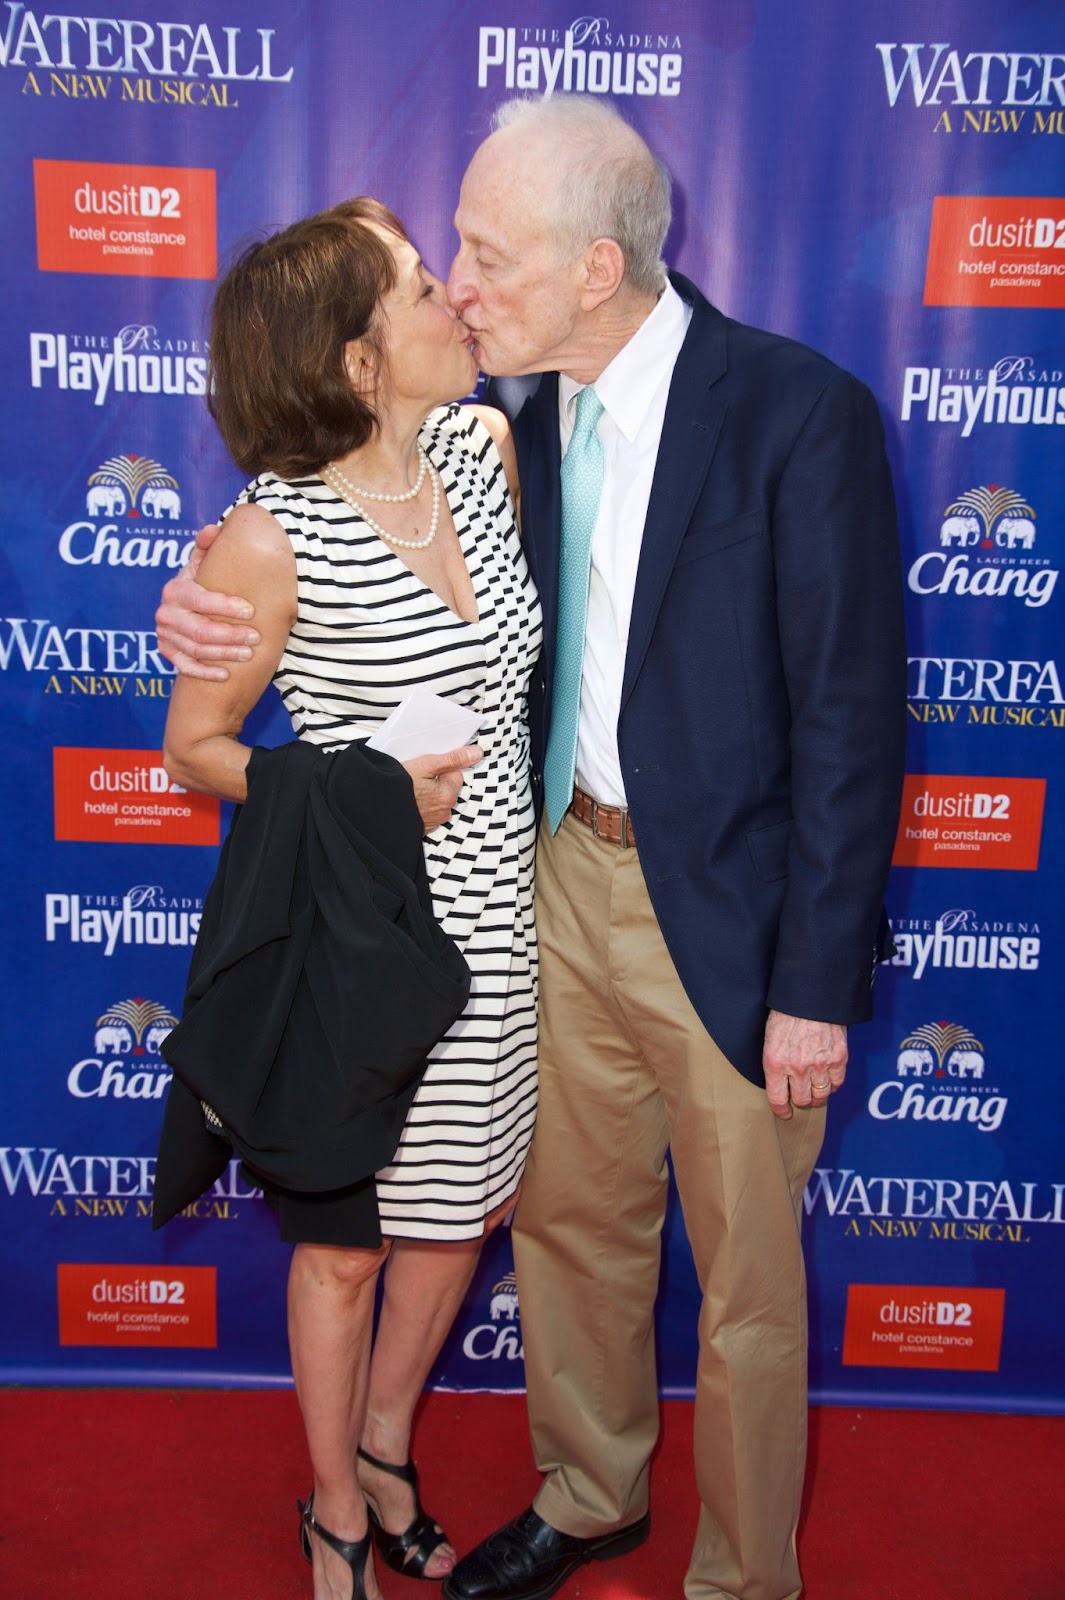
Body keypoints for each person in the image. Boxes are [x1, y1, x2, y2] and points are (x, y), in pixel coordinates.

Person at [156, 95, 906, 1600]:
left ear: (592, 267)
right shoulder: (510, 424)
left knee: (748, 1289)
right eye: (448, 263)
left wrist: (812, 983)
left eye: (485, 256)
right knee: (567, 1232)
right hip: (544, 886)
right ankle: (587, 1492)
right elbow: (309, 533)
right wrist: (196, 598)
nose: (461, 281)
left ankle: (744, 1577)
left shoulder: (790, 409)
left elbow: (847, 717)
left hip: (734, 922)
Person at [155, 197, 542, 1600]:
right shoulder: (267, 539)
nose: (458, 304)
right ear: (358, 359)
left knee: (461, 1213)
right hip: (355, 931)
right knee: (344, 1251)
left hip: (501, 920)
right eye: (426, 288)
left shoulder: (482, 447)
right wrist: (343, 794)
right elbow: (192, 748)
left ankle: (385, 1443)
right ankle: (331, 1508)